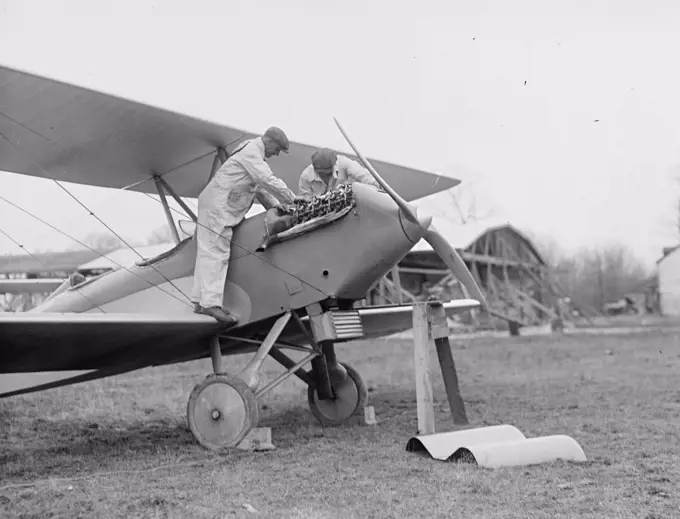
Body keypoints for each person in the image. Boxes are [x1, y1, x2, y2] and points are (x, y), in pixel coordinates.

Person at [191, 126, 303, 325]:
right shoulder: (252, 152)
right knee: (218, 251)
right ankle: (210, 304)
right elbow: (267, 180)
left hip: (216, 205)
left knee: (209, 251)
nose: (276, 154)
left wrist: (278, 207)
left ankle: (201, 301)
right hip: (218, 207)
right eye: (277, 149)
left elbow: (259, 188)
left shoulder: (251, 154)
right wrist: (293, 199)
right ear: (268, 142)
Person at [298, 147, 380, 199]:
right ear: (315, 169)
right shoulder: (306, 177)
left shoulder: (345, 163)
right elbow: (306, 201)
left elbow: (367, 178)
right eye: (322, 174)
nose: (326, 177)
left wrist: (375, 186)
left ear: (334, 165)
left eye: (329, 173)